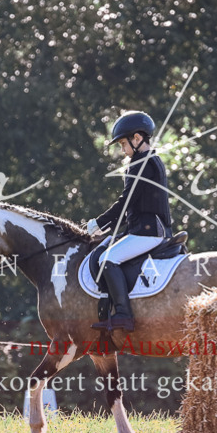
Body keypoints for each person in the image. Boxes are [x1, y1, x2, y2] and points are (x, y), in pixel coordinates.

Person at [86, 110, 173, 332]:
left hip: (148, 232)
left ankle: (124, 315)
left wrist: (99, 222)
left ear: (137, 138)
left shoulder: (142, 163)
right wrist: (109, 228)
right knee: (106, 249)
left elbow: (126, 201)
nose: (122, 149)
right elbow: (134, 207)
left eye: (124, 143)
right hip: (143, 228)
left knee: (107, 259)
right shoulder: (149, 161)